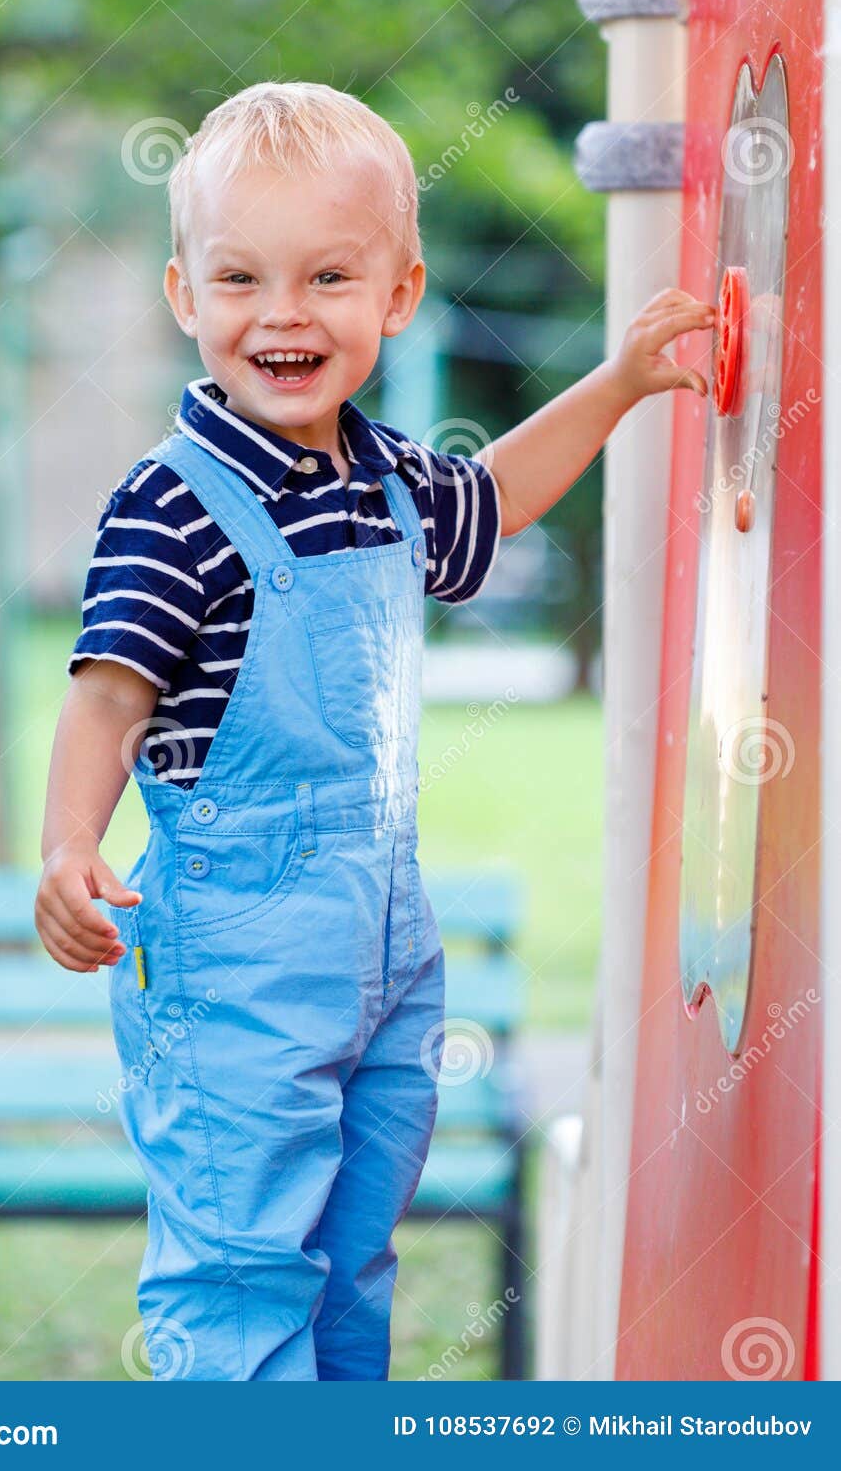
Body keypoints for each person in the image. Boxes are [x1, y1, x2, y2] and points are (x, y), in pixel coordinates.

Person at [35, 81, 714, 1380]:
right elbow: (109, 689)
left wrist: (621, 382)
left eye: (328, 277)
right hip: (236, 971)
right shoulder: (170, 510)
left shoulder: (387, 476)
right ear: (185, 294)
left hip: (387, 959)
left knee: (351, 1259)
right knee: (244, 1270)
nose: (282, 314)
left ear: (398, 297)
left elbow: (499, 494)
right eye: (240, 278)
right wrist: (72, 844)